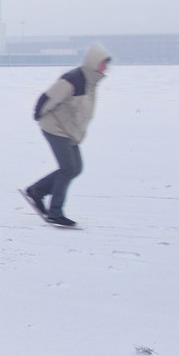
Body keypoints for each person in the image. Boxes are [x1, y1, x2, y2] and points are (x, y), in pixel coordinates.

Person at [24, 43, 111, 227]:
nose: (106, 68)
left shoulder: (91, 82)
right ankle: (55, 212)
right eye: (103, 63)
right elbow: (47, 97)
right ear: (94, 62)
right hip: (54, 127)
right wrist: (39, 114)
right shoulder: (73, 79)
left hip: (68, 130)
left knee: (76, 168)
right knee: (68, 168)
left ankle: (37, 191)